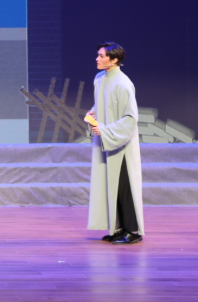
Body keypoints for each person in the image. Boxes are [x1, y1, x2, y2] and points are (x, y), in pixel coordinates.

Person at [86, 42, 145, 244]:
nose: (97, 59)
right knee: (111, 186)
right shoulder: (99, 79)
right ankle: (117, 227)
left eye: (102, 56)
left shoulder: (123, 83)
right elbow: (101, 104)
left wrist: (105, 130)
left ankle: (133, 231)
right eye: (98, 55)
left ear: (114, 60)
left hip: (120, 144)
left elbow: (130, 118)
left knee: (124, 187)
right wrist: (93, 113)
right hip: (106, 141)